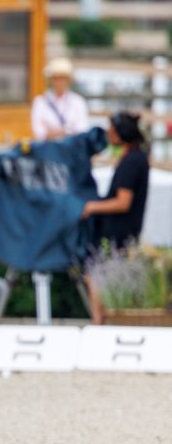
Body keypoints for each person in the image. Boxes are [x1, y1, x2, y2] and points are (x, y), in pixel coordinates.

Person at [82, 112, 150, 324]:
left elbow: (123, 202)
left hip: (118, 232)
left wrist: (92, 207)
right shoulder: (135, 158)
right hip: (121, 230)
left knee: (96, 276)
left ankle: (99, 321)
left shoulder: (132, 162)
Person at [31, 57, 90, 141]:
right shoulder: (40, 102)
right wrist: (65, 132)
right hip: (48, 149)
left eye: (63, 78)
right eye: (56, 78)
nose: (59, 82)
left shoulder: (78, 102)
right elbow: (39, 133)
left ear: (68, 80)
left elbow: (82, 131)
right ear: (51, 80)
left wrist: (54, 133)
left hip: (71, 150)